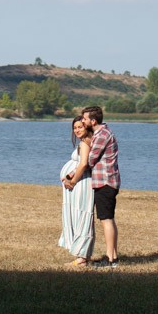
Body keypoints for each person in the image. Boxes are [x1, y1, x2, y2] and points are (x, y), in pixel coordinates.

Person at [63, 105, 120, 267]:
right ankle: (112, 256)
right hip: (103, 181)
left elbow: (89, 161)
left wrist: (71, 178)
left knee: (106, 219)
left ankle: (111, 260)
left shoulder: (102, 135)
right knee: (107, 218)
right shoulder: (100, 133)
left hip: (105, 181)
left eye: (85, 119)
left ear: (93, 121)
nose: (83, 121)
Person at [57, 117, 94, 267]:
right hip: (79, 182)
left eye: (80, 127)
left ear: (86, 127)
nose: (77, 130)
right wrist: (69, 175)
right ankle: (81, 254)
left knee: (81, 217)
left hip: (82, 184)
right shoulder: (86, 142)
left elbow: (84, 164)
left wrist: (72, 182)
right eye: (75, 127)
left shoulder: (85, 143)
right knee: (78, 216)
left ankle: (82, 257)